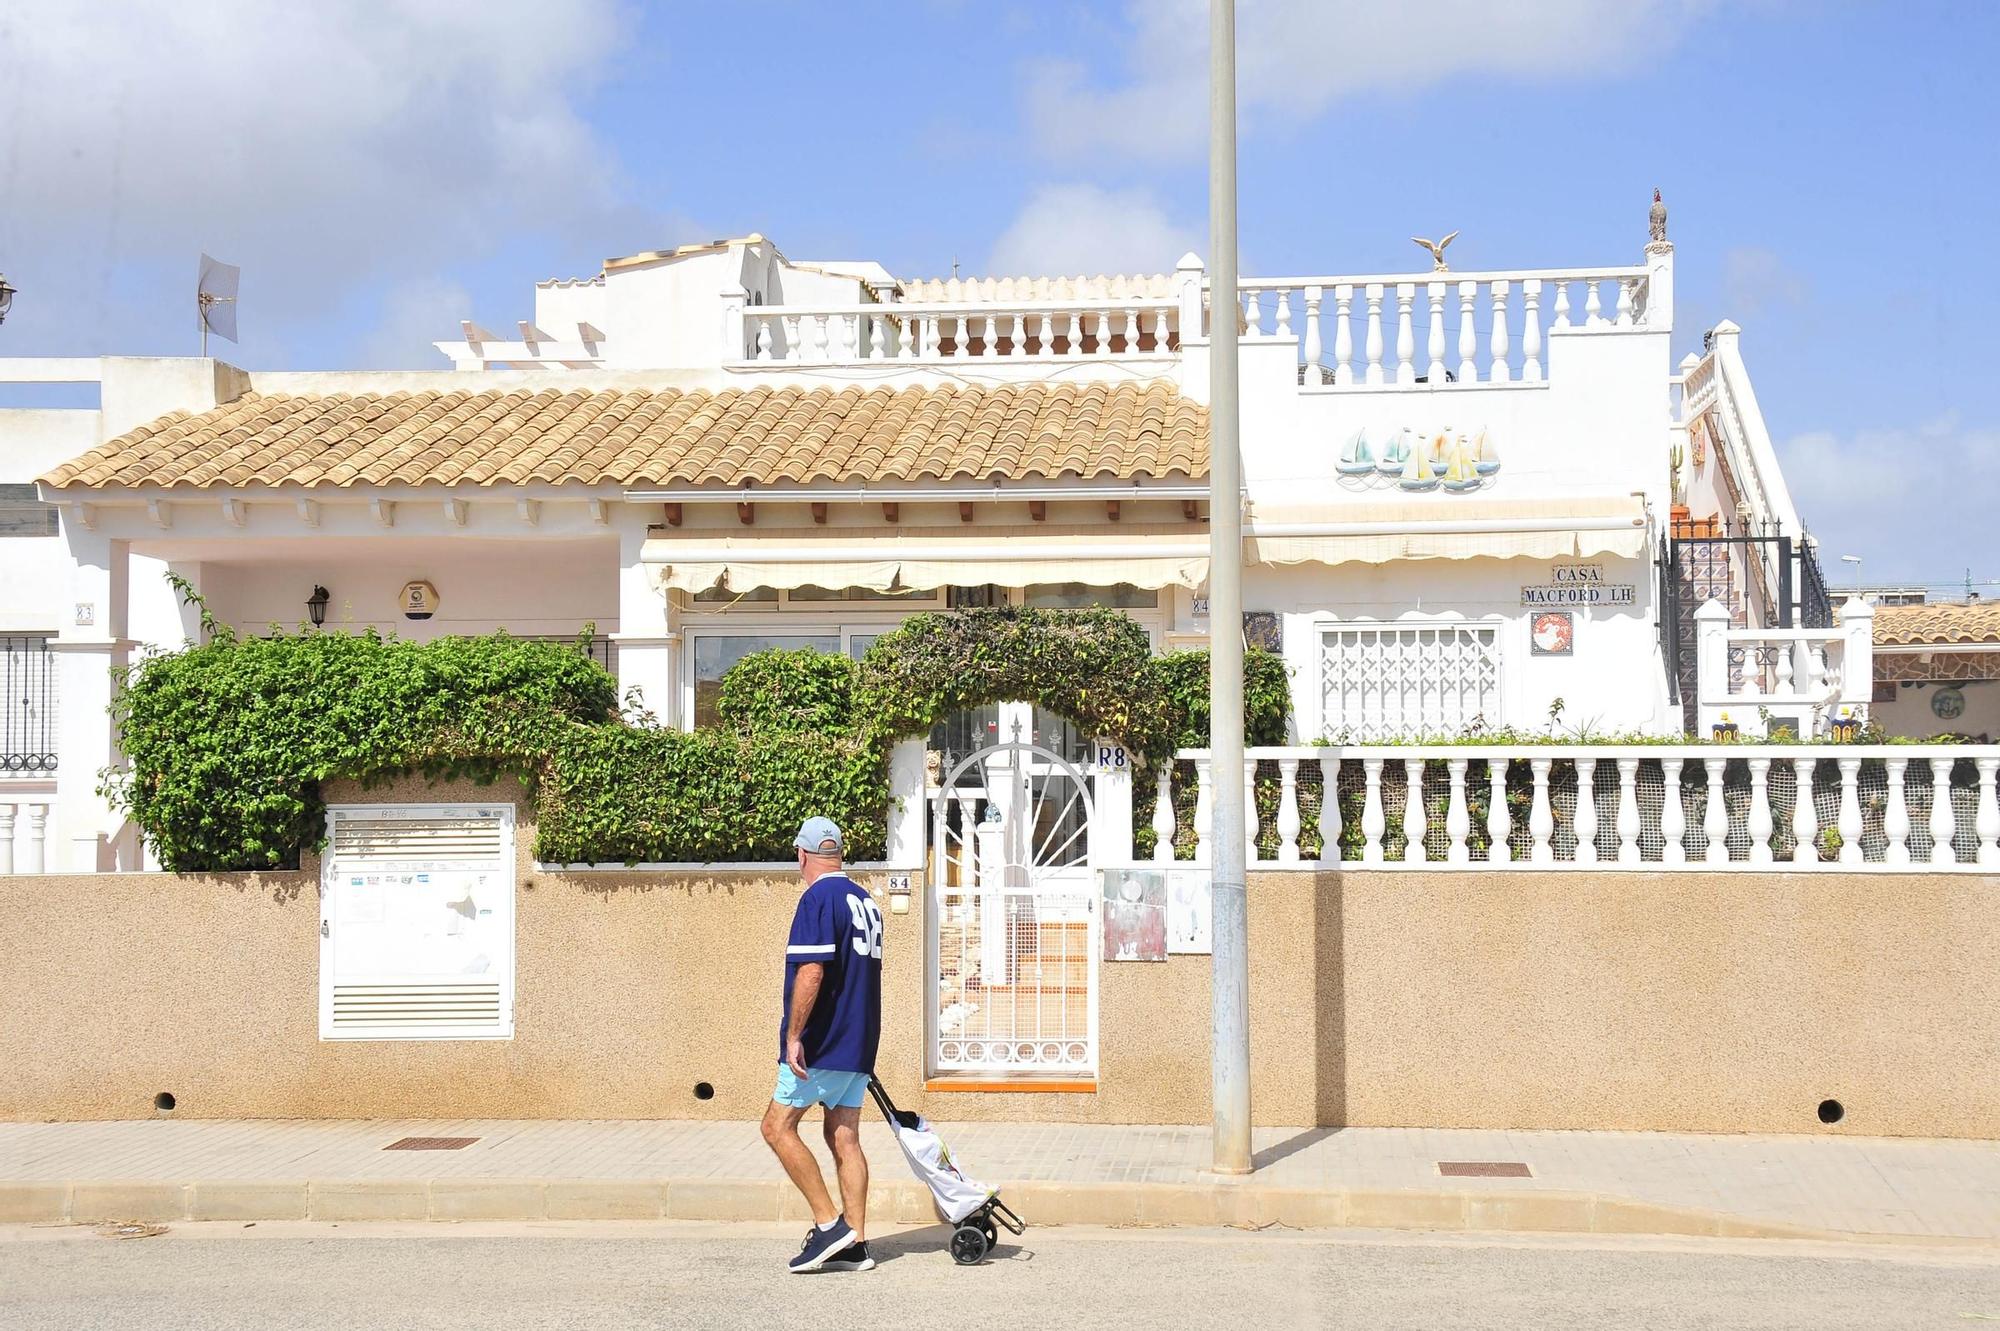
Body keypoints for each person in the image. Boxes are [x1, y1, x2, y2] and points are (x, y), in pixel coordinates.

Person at [759, 815, 885, 1273]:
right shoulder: (865, 900)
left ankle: (830, 1225)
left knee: (776, 1128)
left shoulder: (817, 898)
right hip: (859, 1041)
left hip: (823, 1043)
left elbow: (812, 971)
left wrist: (794, 1036)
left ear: (802, 855)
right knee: (843, 1135)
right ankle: (856, 1244)